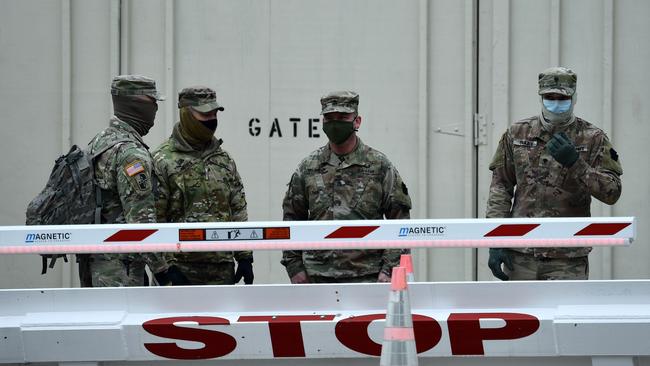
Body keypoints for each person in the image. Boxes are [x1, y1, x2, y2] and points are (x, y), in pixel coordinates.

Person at [486, 67, 623, 281]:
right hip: (522, 253)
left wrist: (576, 164)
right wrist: (496, 241)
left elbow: (612, 192)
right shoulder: (517, 133)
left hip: (567, 257)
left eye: (563, 97)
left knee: (568, 314)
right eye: (550, 97)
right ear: (541, 98)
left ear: (574, 98)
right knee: (522, 314)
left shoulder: (592, 138)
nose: (556, 102)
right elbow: (501, 187)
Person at [281, 90, 412, 283]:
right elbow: (291, 219)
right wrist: (294, 267)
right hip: (316, 278)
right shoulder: (308, 167)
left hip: (368, 277)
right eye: (329, 118)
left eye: (343, 117)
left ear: (357, 121)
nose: (335, 123)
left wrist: (389, 269)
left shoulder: (379, 165)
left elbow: (400, 222)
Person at [153, 86, 253, 285]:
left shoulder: (223, 160)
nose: (211, 120)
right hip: (179, 271)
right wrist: (164, 268)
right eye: (205, 114)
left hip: (221, 270)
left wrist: (244, 256)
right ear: (186, 113)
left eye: (214, 114)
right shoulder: (162, 160)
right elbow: (154, 219)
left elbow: (238, 209)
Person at [86, 75, 172, 287]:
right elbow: (141, 223)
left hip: (97, 262)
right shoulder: (131, 154)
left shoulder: (100, 141)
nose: (156, 110)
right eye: (153, 102)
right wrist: (162, 270)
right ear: (137, 103)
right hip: (123, 270)